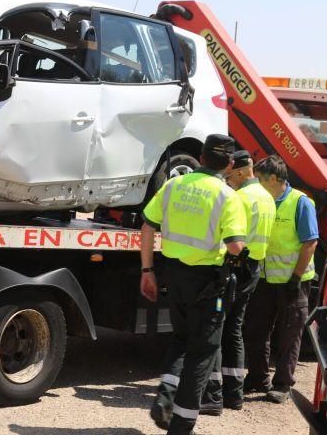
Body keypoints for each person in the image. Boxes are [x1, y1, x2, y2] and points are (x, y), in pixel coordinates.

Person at [140, 134, 246, 434]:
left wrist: (147, 270)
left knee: (181, 339)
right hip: (208, 283)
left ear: (200, 158)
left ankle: (165, 397)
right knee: (203, 351)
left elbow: (147, 225)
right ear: (229, 164)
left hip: (173, 275)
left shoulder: (174, 185)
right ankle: (182, 425)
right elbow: (236, 246)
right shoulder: (228, 196)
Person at [200, 150, 276, 414]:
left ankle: (213, 395)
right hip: (252, 270)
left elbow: (228, 235)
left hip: (234, 269)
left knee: (216, 328)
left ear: (242, 171)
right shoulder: (267, 197)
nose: (228, 179)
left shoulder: (240, 197)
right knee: (234, 329)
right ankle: (234, 394)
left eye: (231, 175)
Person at [243, 155, 319, 403]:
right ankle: (257, 378)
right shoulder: (264, 200)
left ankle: (283, 385)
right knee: (256, 331)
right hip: (264, 279)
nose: (257, 182)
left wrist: (295, 278)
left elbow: (310, 242)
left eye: (261, 179)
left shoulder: (300, 202)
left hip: (292, 282)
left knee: (289, 335)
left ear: (274, 179)